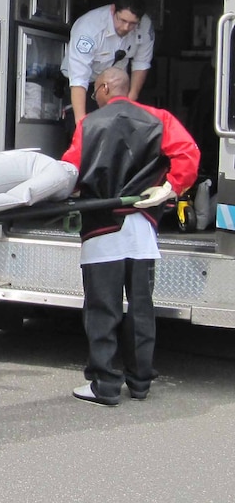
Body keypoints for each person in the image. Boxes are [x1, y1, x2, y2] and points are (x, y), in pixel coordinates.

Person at [61, 67, 199, 406]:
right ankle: (140, 382)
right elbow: (188, 153)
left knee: (102, 309)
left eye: (95, 91)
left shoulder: (90, 125)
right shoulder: (159, 118)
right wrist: (169, 187)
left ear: (106, 87)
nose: (95, 97)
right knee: (140, 309)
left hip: (102, 230)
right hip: (142, 232)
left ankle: (104, 384)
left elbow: (71, 171)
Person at [61, 0, 154, 127]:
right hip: (84, 85)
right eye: (122, 20)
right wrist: (80, 124)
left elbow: (141, 63)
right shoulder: (88, 28)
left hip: (117, 86)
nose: (126, 27)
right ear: (113, 10)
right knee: (83, 129)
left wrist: (129, 101)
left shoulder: (145, 26)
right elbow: (79, 79)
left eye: (133, 23)